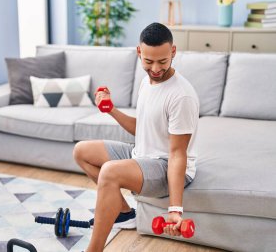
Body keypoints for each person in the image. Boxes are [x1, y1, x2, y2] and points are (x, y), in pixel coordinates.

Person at [73, 22, 199, 252]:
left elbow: (177, 153)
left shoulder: (181, 96)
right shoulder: (147, 81)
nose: (156, 69)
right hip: (141, 153)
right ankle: (124, 214)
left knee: (110, 171)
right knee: (81, 151)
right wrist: (110, 109)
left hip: (165, 165)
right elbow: (143, 128)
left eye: (163, 61)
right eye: (148, 62)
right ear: (139, 52)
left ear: (173, 52)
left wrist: (175, 209)